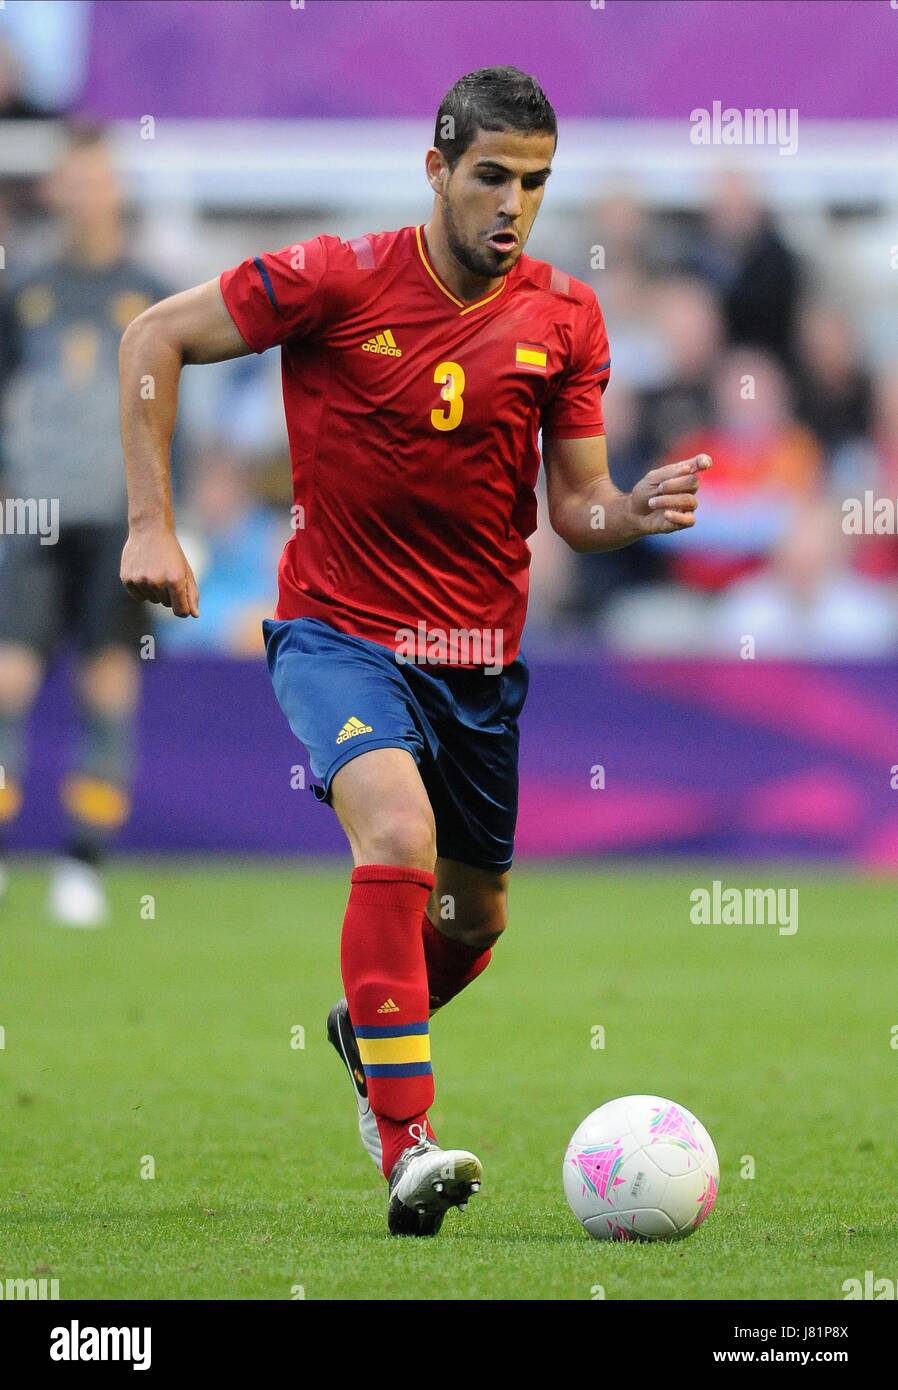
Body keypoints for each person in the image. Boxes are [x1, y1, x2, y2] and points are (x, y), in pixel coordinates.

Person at [118, 67, 709, 1236]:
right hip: (338, 630)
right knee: (396, 832)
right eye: (491, 175)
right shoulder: (336, 281)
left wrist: (629, 513)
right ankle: (406, 1137)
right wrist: (151, 518)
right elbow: (154, 334)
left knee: (475, 918)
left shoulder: (564, 317)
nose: (513, 204)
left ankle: (367, 1029)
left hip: (477, 661)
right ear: (436, 170)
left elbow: (576, 506)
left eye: (535, 183)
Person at [0, 122, 172, 925]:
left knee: (108, 683)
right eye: (73, 178)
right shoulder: (22, 288)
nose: (84, 192)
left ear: (116, 188)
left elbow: (175, 410)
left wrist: (170, 514)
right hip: (32, 514)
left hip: (122, 519)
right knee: (8, 679)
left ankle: (82, 865)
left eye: (97, 177)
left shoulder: (151, 290)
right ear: (56, 190)